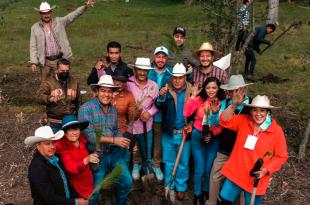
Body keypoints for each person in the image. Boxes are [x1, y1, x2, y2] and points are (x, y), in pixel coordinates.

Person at [217, 95, 288, 205]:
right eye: (254, 110)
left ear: (268, 112)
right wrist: (234, 105)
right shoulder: (244, 121)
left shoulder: (276, 131)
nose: (258, 114)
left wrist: (266, 170)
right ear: (250, 111)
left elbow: (281, 156)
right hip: (236, 173)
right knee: (223, 202)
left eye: (262, 110)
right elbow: (224, 121)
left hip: (256, 179)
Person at [78, 75, 133, 205]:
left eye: (109, 91)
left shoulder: (113, 110)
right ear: (97, 92)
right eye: (103, 90)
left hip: (113, 153)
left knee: (127, 182)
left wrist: (123, 141)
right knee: (94, 191)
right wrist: (114, 140)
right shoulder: (86, 109)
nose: (106, 94)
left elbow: (116, 130)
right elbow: (89, 135)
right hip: (97, 155)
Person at [208, 75, 253, 205]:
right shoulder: (225, 103)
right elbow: (217, 123)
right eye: (231, 90)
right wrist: (215, 113)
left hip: (244, 153)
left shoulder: (252, 105)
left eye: (236, 90)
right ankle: (212, 202)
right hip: (225, 149)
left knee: (242, 181)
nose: (233, 93)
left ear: (243, 90)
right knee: (215, 175)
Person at [184, 77, 226, 205]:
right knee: (199, 169)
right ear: (204, 88)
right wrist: (192, 96)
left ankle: (206, 191)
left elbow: (223, 124)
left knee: (209, 169)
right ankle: (197, 194)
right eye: (208, 87)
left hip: (214, 138)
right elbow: (186, 113)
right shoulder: (199, 100)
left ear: (218, 88)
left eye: (214, 87)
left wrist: (213, 134)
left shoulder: (223, 102)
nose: (211, 90)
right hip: (198, 135)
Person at [30, 0, 95, 81]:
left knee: (62, 81)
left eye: (48, 12)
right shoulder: (35, 27)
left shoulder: (59, 22)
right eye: (44, 13)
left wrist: (84, 7)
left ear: (51, 12)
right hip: (45, 62)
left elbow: (72, 16)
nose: (46, 15)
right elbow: (33, 46)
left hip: (59, 59)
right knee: (45, 85)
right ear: (40, 14)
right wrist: (34, 62)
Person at [155, 63, 192, 202]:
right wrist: (161, 96)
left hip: (184, 133)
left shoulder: (191, 91)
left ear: (185, 78)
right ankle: (168, 186)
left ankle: (181, 187)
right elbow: (158, 105)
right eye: (175, 78)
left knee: (183, 162)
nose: (177, 80)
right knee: (169, 161)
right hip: (169, 133)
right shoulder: (166, 89)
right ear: (171, 78)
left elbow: (196, 112)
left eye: (180, 77)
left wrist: (191, 124)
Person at [25, 126, 88, 205]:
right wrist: (75, 202)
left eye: (53, 142)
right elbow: (50, 198)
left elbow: (66, 183)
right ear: (38, 145)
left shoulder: (57, 159)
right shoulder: (37, 168)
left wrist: (77, 197)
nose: (52, 146)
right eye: (47, 144)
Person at [126, 57, 159, 180]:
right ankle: (136, 165)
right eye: (139, 69)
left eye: (145, 70)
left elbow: (157, 104)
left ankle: (147, 169)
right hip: (131, 126)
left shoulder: (153, 86)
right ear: (135, 69)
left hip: (147, 125)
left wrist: (149, 113)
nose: (142, 73)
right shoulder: (128, 83)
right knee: (133, 149)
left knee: (146, 149)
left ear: (148, 71)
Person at [56, 115, 99, 198]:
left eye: (76, 129)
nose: (74, 132)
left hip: (89, 182)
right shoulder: (62, 146)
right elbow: (70, 168)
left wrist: (93, 156)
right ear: (65, 132)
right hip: (77, 188)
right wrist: (86, 160)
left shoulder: (82, 140)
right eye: (70, 130)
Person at [147, 46, 173, 181]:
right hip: (146, 112)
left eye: (163, 57)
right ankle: (144, 164)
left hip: (163, 113)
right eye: (158, 56)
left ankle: (156, 164)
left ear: (167, 59)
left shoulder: (171, 72)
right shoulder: (148, 71)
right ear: (154, 57)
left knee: (158, 141)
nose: (161, 59)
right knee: (147, 139)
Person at [36, 58, 79, 133]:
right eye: (62, 71)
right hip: (55, 122)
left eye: (67, 71)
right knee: (56, 143)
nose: (65, 73)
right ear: (57, 70)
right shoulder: (48, 82)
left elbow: (78, 101)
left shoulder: (74, 82)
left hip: (71, 121)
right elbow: (38, 97)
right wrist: (50, 99)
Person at [111, 74, 139, 166]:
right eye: (117, 81)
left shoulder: (128, 95)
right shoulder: (106, 93)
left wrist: (136, 111)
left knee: (124, 155)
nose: (120, 84)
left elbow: (132, 117)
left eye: (123, 82)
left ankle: (124, 170)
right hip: (107, 130)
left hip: (122, 129)